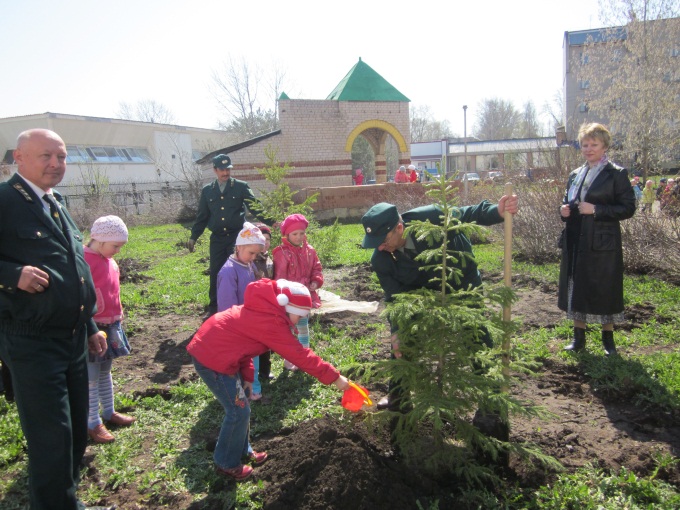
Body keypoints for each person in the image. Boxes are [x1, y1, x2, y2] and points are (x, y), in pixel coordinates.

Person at [0, 129, 111, 510]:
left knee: (74, 433)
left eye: (61, 157)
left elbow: (75, 267)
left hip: (73, 339)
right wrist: (11, 275)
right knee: (52, 438)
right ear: (19, 157)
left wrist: (91, 326)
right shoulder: (3, 201)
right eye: (46, 156)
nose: (55, 164)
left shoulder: (55, 201)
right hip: (32, 340)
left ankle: (68, 503)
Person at [360, 194, 519, 410]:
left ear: (399, 227)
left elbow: (467, 214)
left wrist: (497, 212)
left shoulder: (431, 218)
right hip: (418, 292)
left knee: (475, 333)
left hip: (461, 282)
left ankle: (491, 401)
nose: (379, 247)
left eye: (383, 240)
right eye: (374, 243)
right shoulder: (381, 260)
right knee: (404, 339)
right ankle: (399, 396)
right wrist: (397, 332)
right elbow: (396, 299)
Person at [186, 278, 350, 480]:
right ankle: (226, 463)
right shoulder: (270, 322)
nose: (299, 321)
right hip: (212, 360)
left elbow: (244, 347)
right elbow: (299, 355)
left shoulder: (266, 312)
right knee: (238, 410)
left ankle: (241, 449)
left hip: (225, 353)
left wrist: (247, 377)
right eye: (299, 316)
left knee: (242, 404)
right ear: (286, 306)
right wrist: (335, 378)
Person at [559, 123, 636, 356]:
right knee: (577, 285)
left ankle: (608, 341)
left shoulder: (616, 174)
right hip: (576, 239)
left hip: (603, 241)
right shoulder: (575, 175)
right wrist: (563, 210)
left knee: (605, 287)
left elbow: (628, 208)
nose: (589, 149)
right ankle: (578, 338)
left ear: (604, 146)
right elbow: (569, 201)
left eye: (594, 144)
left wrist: (596, 210)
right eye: (585, 144)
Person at [187, 154, 261, 320]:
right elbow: (202, 216)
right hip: (218, 239)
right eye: (222, 169)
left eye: (228, 169)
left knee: (240, 268)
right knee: (216, 271)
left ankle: (243, 303)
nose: (225, 173)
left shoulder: (241, 187)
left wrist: (273, 221)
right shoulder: (207, 191)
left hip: (237, 238)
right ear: (215, 170)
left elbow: (256, 207)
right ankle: (214, 307)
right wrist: (194, 236)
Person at [84, 215, 136, 444]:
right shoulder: (84, 261)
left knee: (105, 371)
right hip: (94, 328)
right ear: (99, 239)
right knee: (91, 377)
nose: (118, 250)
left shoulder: (109, 260)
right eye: (116, 245)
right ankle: (92, 422)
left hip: (111, 325)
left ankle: (109, 411)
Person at [216, 222, 266, 400]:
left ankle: (253, 388)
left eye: (256, 254)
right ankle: (245, 391)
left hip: (250, 323)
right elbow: (227, 305)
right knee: (243, 360)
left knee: (253, 359)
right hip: (238, 326)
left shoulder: (248, 264)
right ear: (238, 247)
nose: (253, 257)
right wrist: (238, 325)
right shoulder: (229, 271)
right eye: (251, 253)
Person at [273, 214, 324, 371]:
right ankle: (289, 359)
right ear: (286, 234)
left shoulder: (310, 251)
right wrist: (282, 297)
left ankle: (304, 356)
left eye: (301, 233)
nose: (298, 237)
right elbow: (280, 277)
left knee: (303, 326)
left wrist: (316, 281)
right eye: (294, 234)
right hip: (288, 300)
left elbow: (317, 268)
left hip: (305, 297)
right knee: (288, 330)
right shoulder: (281, 252)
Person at [253, 222, 274, 381]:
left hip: (268, 305)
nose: (265, 243)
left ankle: (265, 371)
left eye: (268, 239)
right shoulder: (251, 261)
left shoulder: (269, 259)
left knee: (266, 341)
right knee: (255, 341)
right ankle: (254, 372)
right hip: (255, 306)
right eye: (262, 239)